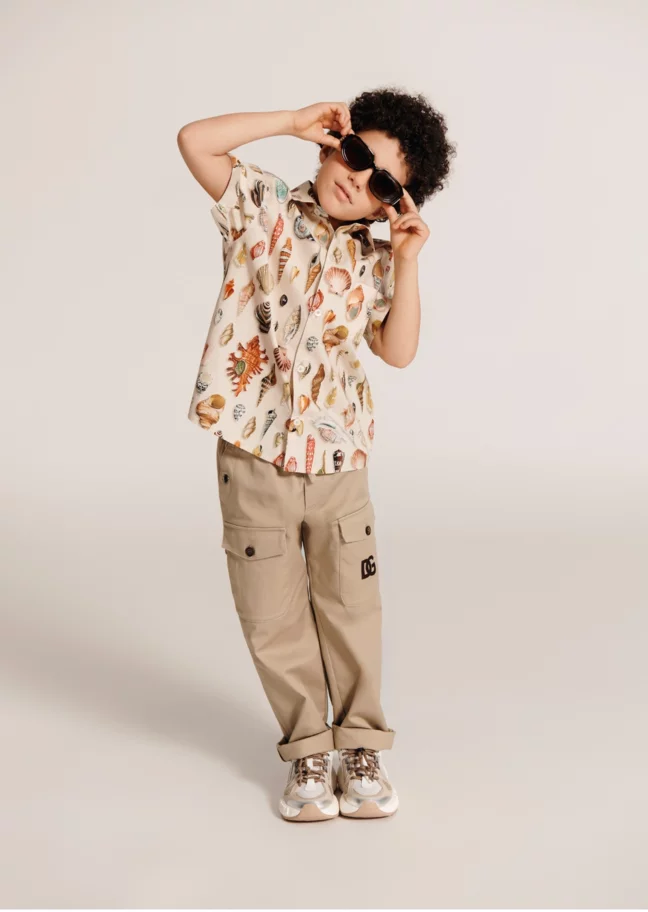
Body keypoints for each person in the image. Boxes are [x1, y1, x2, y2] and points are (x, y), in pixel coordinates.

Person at [177, 88, 456, 821]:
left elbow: (398, 351)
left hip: (339, 463)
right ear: (337, 143)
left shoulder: (377, 259)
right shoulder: (263, 208)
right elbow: (195, 141)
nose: (357, 181)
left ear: (392, 204)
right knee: (270, 613)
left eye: (382, 183)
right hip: (254, 455)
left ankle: (360, 745)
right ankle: (307, 749)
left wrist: (408, 259)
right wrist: (291, 122)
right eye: (357, 156)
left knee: (350, 607)